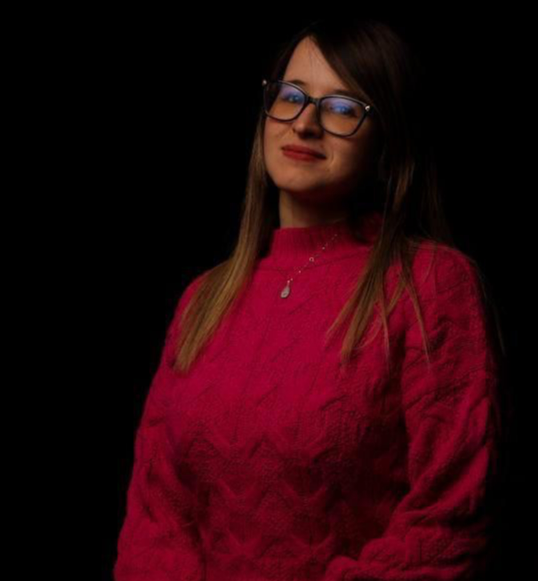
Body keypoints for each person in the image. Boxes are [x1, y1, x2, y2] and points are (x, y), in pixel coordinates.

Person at [113, 17, 507, 581]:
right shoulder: (203, 299)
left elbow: (452, 521)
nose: (304, 123)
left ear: (388, 140)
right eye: (290, 96)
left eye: (343, 107)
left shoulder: (429, 283)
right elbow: (155, 520)